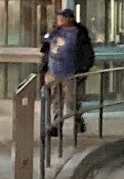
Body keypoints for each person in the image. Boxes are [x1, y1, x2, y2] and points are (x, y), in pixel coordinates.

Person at [39, 8, 95, 137]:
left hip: (70, 73)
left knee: (71, 100)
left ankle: (77, 119)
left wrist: (83, 70)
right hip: (53, 72)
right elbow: (46, 46)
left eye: (63, 17)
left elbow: (87, 53)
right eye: (59, 17)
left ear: (70, 19)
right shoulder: (55, 31)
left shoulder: (79, 34)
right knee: (56, 100)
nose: (60, 19)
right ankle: (57, 125)